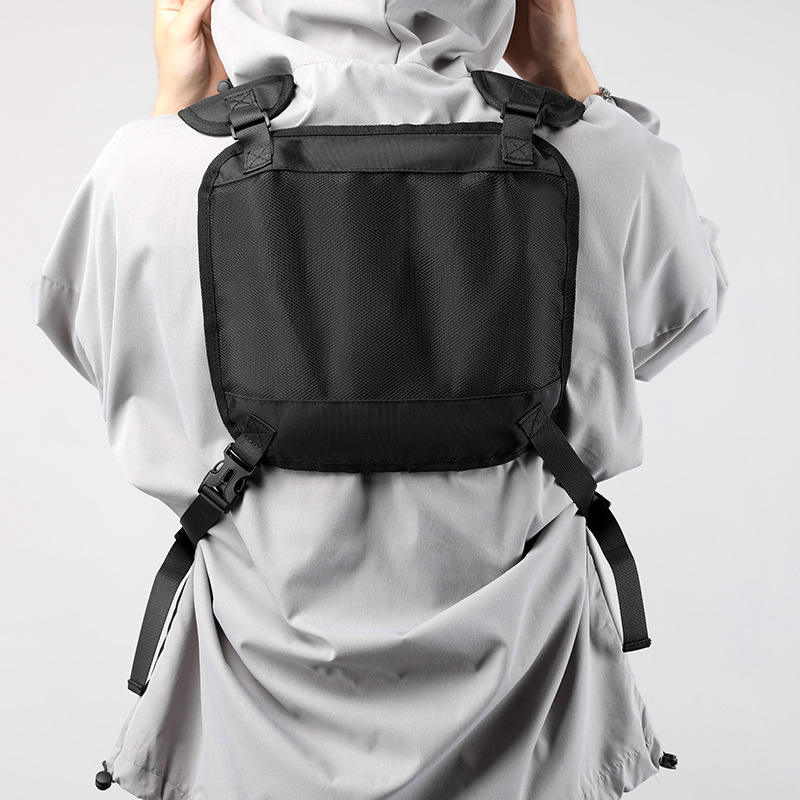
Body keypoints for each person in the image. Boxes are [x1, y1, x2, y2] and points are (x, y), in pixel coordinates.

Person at [32, 0, 728, 798]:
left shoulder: (145, 172)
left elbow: (108, 341)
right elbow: (683, 311)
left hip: (248, 730)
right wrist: (570, 75)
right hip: (532, 724)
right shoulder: (607, 159)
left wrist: (173, 114)